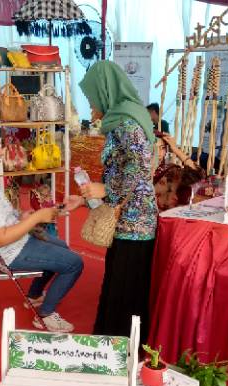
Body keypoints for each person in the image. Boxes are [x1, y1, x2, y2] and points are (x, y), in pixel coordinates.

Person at [0, 120, 83, 333]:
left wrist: (21, 216)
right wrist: (36, 218)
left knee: (62, 247)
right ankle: (45, 315)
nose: (2, 152)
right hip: (5, 251)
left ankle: (33, 295)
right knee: (74, 263)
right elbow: (0, 238)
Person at [65, 61, 158, 343]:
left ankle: (120, 351)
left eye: (93, 98)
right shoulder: (121, 119)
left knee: (125, 288)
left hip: (135, 222)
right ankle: (115, 348)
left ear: (105, 92)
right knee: (120, 284)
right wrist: (87, 199)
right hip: (125, 217)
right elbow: (122, 168)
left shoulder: (128, 123)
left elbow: (139, 167)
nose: (91, 106)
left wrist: (105, 188)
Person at [153, 132, 204, 211]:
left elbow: (197, 174)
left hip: (167, 217)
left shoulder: (171, 171)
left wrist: (175, 149)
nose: (159, 152)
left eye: (162, 148)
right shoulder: (136, 172)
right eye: (153, 148)